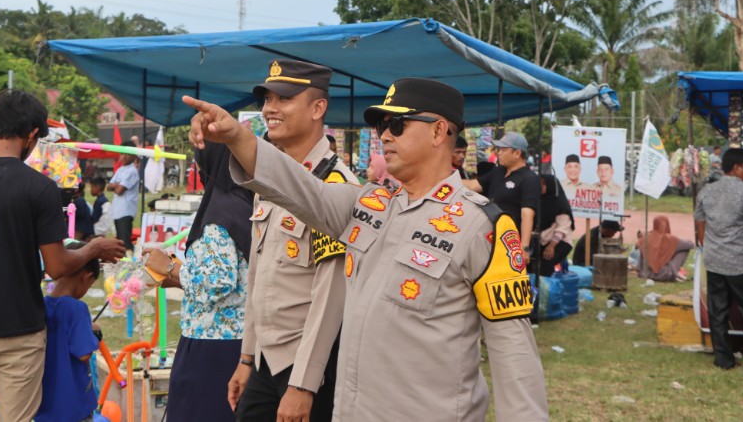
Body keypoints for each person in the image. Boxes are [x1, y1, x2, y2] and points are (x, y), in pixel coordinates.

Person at [183, 76, 548, 421]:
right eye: (381, 127)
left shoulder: (483, 226)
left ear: (440, 130)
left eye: (398, 125)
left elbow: (514, 355)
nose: (385, 136)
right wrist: (237, 138)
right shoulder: (369, 204)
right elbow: (301, 188)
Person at [0, 89, 125, 422]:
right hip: (19, 332)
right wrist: (93, 248)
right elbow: (56, 266)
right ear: (32, 134)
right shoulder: (40, 188)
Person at [226, 59, 358, 421]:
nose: (270, 108)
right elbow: (259, 278)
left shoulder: (337, 188)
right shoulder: (269, 182)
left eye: (283, 99)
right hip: (267, 360)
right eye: (267, 99)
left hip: (309, 367)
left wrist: (302, 385)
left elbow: (331, 298)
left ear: (318, 108)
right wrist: (247, 357)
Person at [143, 141, 254, 421]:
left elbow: (219, 281)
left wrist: (169, 267)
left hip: (212, 346)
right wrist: (179, 276)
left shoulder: (219, 215)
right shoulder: (243, 203)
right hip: (236, 341)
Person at [694, 148, 743, 371]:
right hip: (742, 263)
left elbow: (700, 226)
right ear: (737, 167)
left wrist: (710, 247)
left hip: (714, 261)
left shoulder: (706, 191)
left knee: (718, 311)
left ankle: (723, 359)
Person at [35, 242, 102, 422]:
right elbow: (84, 354)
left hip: (44, 404)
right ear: (87, 277)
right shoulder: (77, 308)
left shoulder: (41, 304)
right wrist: (93, 333)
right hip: (73, 405)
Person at [465, 131, 540, 265]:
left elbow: (527, 214)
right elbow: (472, 186)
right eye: (499, 149)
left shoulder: (529, 179)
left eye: (503, 150)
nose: (499, 153)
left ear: (517, 153)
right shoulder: (498, 171)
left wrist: (524, 247)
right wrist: (446, 177)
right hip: (489, 238)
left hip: (510, 243)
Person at [536, 175, 574, 277]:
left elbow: (561, 229)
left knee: (546, 262)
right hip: (543, 240)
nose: (541, 187)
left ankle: (545, 288)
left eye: (544, 184)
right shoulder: (539, 200)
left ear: (551, 186)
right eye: (540, 184)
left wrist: (551, 246)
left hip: (560, 241)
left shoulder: (560, 205)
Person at [636, 216, 694, 282]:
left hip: (645, 273)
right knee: (683, 249)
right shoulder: (670, 239)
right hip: (664, 274)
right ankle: (674, 272)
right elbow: (691, 245)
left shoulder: (645, 236)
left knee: (644, 249)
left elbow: (637, 246)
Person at [107, 142, 140, 252]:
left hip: (126, 211)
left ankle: (130, 262)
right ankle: (124, 262)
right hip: (118, 211)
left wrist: (115, 185)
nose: (123, 157)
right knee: (120, 241)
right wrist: (117, 184)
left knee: (125, 242)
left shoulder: (132, 171)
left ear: (133, 155)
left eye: (127, 154)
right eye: (122, 153)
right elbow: (108, 186)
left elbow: (120, 191)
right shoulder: (120, 170)